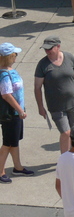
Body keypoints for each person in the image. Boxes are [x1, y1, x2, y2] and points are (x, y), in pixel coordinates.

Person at [34, 36, 74, 154]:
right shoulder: (42, 64)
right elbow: (37, 88)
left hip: (73, 103)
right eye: (45, 49)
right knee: (66, 132)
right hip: (56, 106)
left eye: (49, 48)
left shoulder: (69, 58)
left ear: (58, 47)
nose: (47, 51)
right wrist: (40, 107)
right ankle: (64, 158)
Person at [0, 42, 33, 183]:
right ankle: (0, 171)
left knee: (14, 142)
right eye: (14, 54)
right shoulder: (4, 75)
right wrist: (20, 110)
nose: (16, 56)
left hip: (15, 114)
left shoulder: (9, 70)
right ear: (8, 56)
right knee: (8, 143)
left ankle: (17, 167)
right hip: (11, 114)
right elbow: (6, 95)